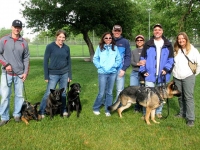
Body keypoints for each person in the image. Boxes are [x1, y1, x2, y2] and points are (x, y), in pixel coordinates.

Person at [139, 24, 174, 119]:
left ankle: (158, 111)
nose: (157, 31)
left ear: (162, 31)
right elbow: (142, 58)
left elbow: (171, 60)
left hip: (162, 75)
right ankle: (145, 112)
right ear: (153, 32)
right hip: (149, 74)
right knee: (147, 94)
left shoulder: (168, 44)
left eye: (159, 30)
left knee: (161, 95)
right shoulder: (148, 44)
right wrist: (143, 70)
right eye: (155, 30)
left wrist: (166, 69)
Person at [0, 19, 30, 126]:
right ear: (12, 27)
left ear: (21, 29)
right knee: (5, 96)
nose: (17, 29)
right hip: (6, 74)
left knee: (19, 96)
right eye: (15, 27)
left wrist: (25, 72)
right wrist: (6, 64)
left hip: (19, 74)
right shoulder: (4, 40)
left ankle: (17, 114)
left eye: (19, 27)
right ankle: (4, 117)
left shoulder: (24, 42)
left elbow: (26, 58)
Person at [39, 29, 72, 118]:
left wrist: (69, 75)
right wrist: (46, 76)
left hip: (64, 73)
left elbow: (69, 62)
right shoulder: (50, 47)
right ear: (56, 36)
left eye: (63, 37)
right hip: (53, 74)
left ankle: (63, 110)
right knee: (48, 93)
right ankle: (41, 111)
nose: (61, 39)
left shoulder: (66, 48)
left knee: (63, 93)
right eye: (60, 37)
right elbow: (45, 61)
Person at [173, 32, 200, 127]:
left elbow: (198, 63)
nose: (181, 40)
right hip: (177, 77)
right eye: (179, 39)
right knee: (180, 97)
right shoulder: (176, 50)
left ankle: (190, 118)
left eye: (182, 38)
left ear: (186, 39)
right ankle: (182, 113)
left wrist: (193, 74)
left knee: (188, 97)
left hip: (188, 76)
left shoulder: (193, 50)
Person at [93, 32, 122, 117]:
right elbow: (95, 59)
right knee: (101, 93)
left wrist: (114, 66)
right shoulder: (100, 47)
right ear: (103, 39)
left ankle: (107, 110)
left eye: (110, 38)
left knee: (109, 92)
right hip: (102, 73)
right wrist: (100, 67)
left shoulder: (115, 48)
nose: (108, 39)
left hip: (112, 73)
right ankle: (95, 108)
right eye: (106, 38)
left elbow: (119, 59)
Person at [112, 25, 131, 103]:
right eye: (115, 30)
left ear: (121, 32)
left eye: (118, 31)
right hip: (110, 69)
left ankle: (117, 104)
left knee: (119, 89)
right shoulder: (108, 39)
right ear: (112, 31)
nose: (117, 32)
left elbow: (128, 56)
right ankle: (107, 103)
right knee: (108, 88)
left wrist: (124, 69)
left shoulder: (125, 42)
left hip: (120, 69)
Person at [130, 35, 145, 112]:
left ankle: (143, 106)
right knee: (134, 90)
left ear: (143, 41)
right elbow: (131, 61)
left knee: (142, 90)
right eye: (138, 40)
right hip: (135, 73)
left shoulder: (146, 51)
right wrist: (137, 64)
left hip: (143, 74)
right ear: (136, 42)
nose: (139, 41)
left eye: (141, 40)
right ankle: (136, 107)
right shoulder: (133, 51)